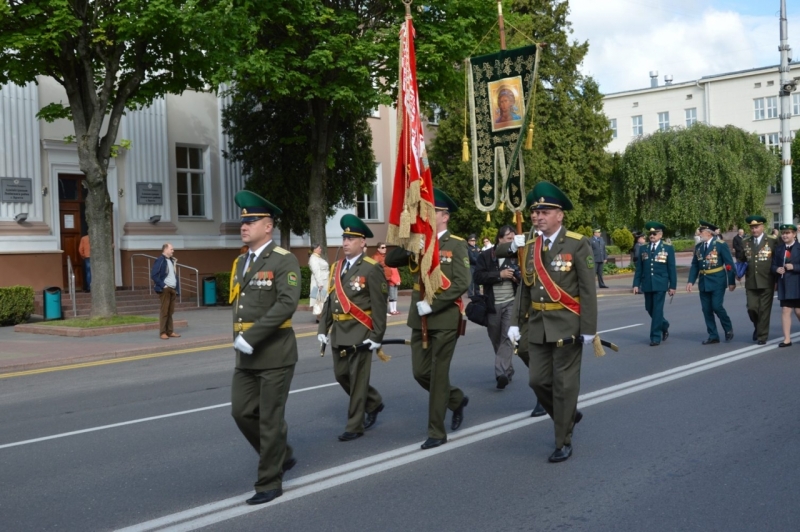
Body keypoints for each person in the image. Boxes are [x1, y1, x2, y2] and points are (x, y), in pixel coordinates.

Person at [506, 182, 598, 463]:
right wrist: (514, 322)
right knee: (537, 381)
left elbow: (587, 290)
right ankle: (566, 413)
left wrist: (588, 330)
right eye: (535, 212)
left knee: (564, 386)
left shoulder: (576, 243)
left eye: (545, 211)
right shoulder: (531, 246)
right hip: (537, 325)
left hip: (567, 324)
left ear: (560, 215)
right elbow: (525, 287)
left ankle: (563, 440)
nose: (538, 216)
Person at [229, 190, 300, 505]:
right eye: (243, 221)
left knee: (270, 419)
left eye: (252, 220)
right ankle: (281, 453)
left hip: (274, 354)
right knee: (241, 412)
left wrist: (253, 335)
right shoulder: (241, 261)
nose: (244, 226)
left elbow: (287, 303)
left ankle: (269, 481)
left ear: (268, 226)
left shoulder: (284, 260)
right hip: (246, 356)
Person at [385, 188, 470, 450]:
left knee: (438, 374)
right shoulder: (420, 239)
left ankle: (436, 431)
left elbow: (460, 283)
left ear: (445, 216)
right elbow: (390, 258)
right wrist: (412, 245)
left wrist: (432, 306)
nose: (428, 216)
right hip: (418, 318)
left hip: (443, 318)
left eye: (433, 212)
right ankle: (455, 399)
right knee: (421, 372)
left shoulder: (456, 244)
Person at [318, 216, 387, 442]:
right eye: (344, 238)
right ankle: (374, 402)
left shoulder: (372, 268)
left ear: (362, 243)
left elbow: (379, 305)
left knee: (357, 381)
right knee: (341, 376)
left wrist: (377, 336)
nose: (345, 242)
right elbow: (331, 299)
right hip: (339, 332)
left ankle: (354, 425)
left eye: (351, 238)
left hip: (360, 332)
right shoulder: (337, 267)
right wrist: (323, 327)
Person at [473, 225, 520, 389]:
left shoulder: (517, 255)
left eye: (514, 238)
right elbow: (477, 276)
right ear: (500, 239)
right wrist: (499, 276)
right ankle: (507, 369)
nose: (512, 241)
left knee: (507, 337)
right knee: (496, 338)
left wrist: (516, 278)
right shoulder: (486, 256)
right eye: (509, 238)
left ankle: (501, 373)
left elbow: (526, 278)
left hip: (511, 302)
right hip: (492, 305)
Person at [686, 221, 736, 344]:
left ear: (709, 233)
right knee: (706, 309)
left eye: (702, 232)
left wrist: (731, 281)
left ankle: (728, 327)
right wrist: (690, 281)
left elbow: (729, 264)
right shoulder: (698, 247)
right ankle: (713, 335)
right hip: (704, 282)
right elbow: (694, 265)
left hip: (717, 280)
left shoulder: (720, 245)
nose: (700, 234)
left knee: (717, 306)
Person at [632, 222, 676, 346]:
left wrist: (672, 286)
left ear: (660, 235)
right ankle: (664, 324)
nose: (652, 236)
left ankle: (655, 337)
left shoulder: (667, 248)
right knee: (649, 308)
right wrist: (636, 284)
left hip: (661, 283)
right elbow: (639, 268)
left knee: (657, 310)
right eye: (650, 234)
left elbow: (671, 268)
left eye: (654, 233)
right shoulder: (643, 248)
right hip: (647, 283)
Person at [738, 216, 776, 345]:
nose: (754, 230)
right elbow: (742, 259)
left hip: (767, 281)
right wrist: (738, 272)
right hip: (751, 281)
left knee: (764, 311)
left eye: (756, 227)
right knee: (752, 308)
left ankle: (762, 336)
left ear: (762, 227)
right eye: (752, 228)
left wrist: (777, 279)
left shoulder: (772, 241)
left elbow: (777, 260)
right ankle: (758, 327)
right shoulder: (745, 242)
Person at [772, 224, 800, 347]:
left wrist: (795, 267)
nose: (785, 235)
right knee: (785, 309)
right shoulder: (779, 249)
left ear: (794, 234)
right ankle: (787, 339)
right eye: (783, 233)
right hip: (784, 283)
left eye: (788, 233)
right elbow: (772, 265)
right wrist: (776, 269)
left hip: (797, 283)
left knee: (799, 311)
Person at [151, 243, 181, 340]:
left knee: (170, 311)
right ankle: (162, 332)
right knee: (164, 311)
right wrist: (163, 285)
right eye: (171, 249)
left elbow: (174, 275)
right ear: (165, 249)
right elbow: (154, 275)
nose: (173, 251)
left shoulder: (172, 261)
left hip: (172, 288)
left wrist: (176, 289)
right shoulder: (160, 260)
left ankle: (170, 331)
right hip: (165, 289)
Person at [373, 242, 400, 315]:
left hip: (387, 279)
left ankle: (384, 311)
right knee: (382, 295)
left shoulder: (385, 256)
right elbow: (375, 269)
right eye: (382, 247)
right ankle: (382, 312)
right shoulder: (376, 257)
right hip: (382, 279)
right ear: (378, 249)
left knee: (386, 295)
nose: (384, 249)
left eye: (385, 247)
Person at [308, 243, 329, 321]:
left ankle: (321, 316)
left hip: (323, 281)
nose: (321, 249)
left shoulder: (318, 258)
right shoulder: (313, 259)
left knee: (321, 299)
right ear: (315, 249)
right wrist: (320, 283)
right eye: (319, 248)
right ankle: (319, 317)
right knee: (319, 299)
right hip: (319, 282)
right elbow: (316, 271)